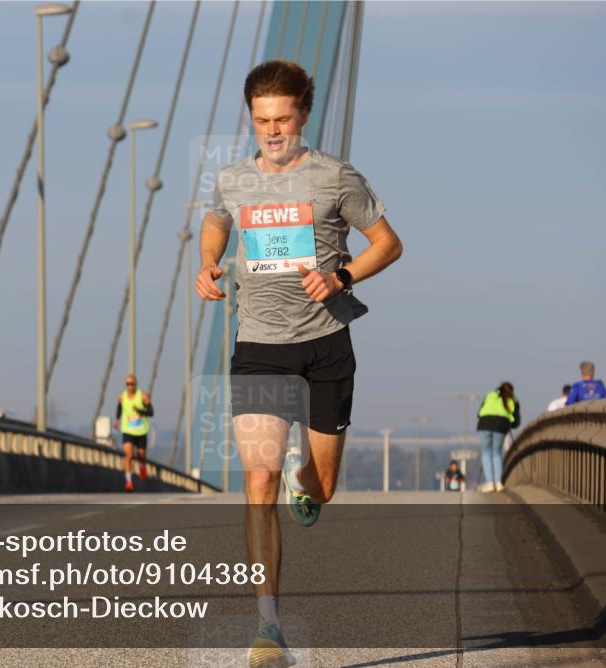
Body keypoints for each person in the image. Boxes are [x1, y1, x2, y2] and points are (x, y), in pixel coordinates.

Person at [196, 59, 402, 667]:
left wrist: (341, 275)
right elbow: (215, 222)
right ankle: (268, 627)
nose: (274, 131)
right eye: (262, 121)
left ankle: (304, 482)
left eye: (283, 119)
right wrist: (209, 262)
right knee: (256, 480)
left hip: (325, 345)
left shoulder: (337, 178)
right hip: (259, 344)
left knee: (323, 486)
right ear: (250, 119)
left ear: (304, 116)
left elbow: (388, 244)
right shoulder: (233, 179)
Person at [476, 383, 520, 493]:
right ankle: (498, 483)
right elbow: (515, 420)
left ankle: (490, 483)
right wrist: (511, 425)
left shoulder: (490, 395)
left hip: (485, 423)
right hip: (501, 425)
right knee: (496, 453)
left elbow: (479, 413)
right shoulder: (512, 399)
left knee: (486, 453)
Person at [114, 374, 153, 492]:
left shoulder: (143, 396)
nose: (130, 386)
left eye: (132, 384)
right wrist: (117, 420)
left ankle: (142, 467)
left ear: (136, 384)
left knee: (141, 456)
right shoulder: (122, 397)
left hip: (141, 430)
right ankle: (129, 482)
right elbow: (120, 408)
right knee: (128, 455)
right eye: (127, 384)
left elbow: (151, 412)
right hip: (128, 430)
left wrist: (140, 410)